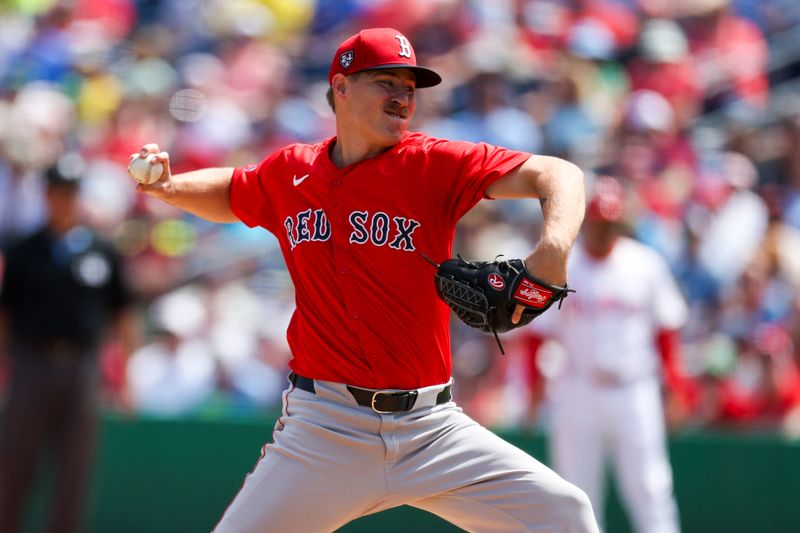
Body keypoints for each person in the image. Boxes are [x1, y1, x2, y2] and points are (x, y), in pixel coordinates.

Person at [132, 28, 598, 532]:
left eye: (410, 88)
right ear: (341, 86)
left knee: (565, 514)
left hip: (431, 429)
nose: (402, 97)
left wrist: (552, 250)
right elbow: (233, 191)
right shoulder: (292, 172)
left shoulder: (432, 163)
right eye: (386, 82)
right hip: (326, 429)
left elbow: (561, 175)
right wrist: (171, 187)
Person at [524, 176, 696, 533]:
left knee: (650, 486)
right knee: (576, 490)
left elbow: (666, 331)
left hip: (634, 389)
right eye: (599, 223)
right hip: (577, 388)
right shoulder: (561, 267)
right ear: (585, 222)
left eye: (611, 223)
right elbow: (536, 338)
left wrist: (676, 387)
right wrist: (534, 390)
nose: (604, 231)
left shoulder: (644, 264)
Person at [0, 155, 135, 533]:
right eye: (58, 191)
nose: (64, 199)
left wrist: (124, 378)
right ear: (46, 195)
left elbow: (122, 315)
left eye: (71, 191)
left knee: (74, 470)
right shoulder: (24, 250)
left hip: (82, 367)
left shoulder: (101, 251)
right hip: (30, 364)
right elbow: (5, 316)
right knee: (15, 464)